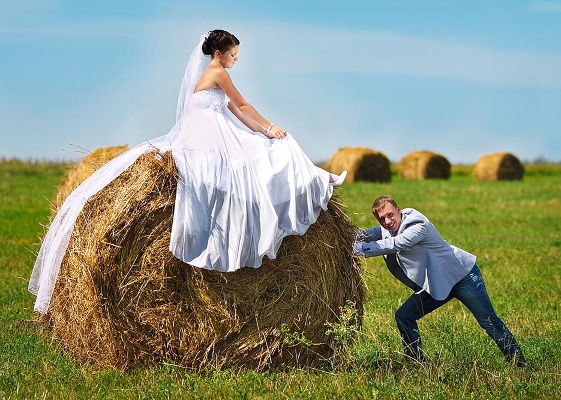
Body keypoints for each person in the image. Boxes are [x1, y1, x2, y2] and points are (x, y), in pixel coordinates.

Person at [29, 29, 346, 314]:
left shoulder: (207, 75)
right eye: (233, 54)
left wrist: (264, 130)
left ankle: (310, 181)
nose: (235, 60)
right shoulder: (217, 72)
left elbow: (236, 110)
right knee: (275, 149)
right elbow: (243, 105)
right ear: (218, 54)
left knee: (262, 155)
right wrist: (271, 127)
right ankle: (318, 179)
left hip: (208, 134)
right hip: (208, 139)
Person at [353, 195, 526, 367]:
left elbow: (396, 244)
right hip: (436, 283)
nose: (387, 221)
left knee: (490, 323)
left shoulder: (417, 224)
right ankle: (417, 365)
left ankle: (520, 365)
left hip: (462, 277)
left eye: (390, 214)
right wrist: (338, 237)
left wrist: (357, 249)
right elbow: (367, 235)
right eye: (382, 218)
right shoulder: (386, 229)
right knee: (404, 316)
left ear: (399, 210)